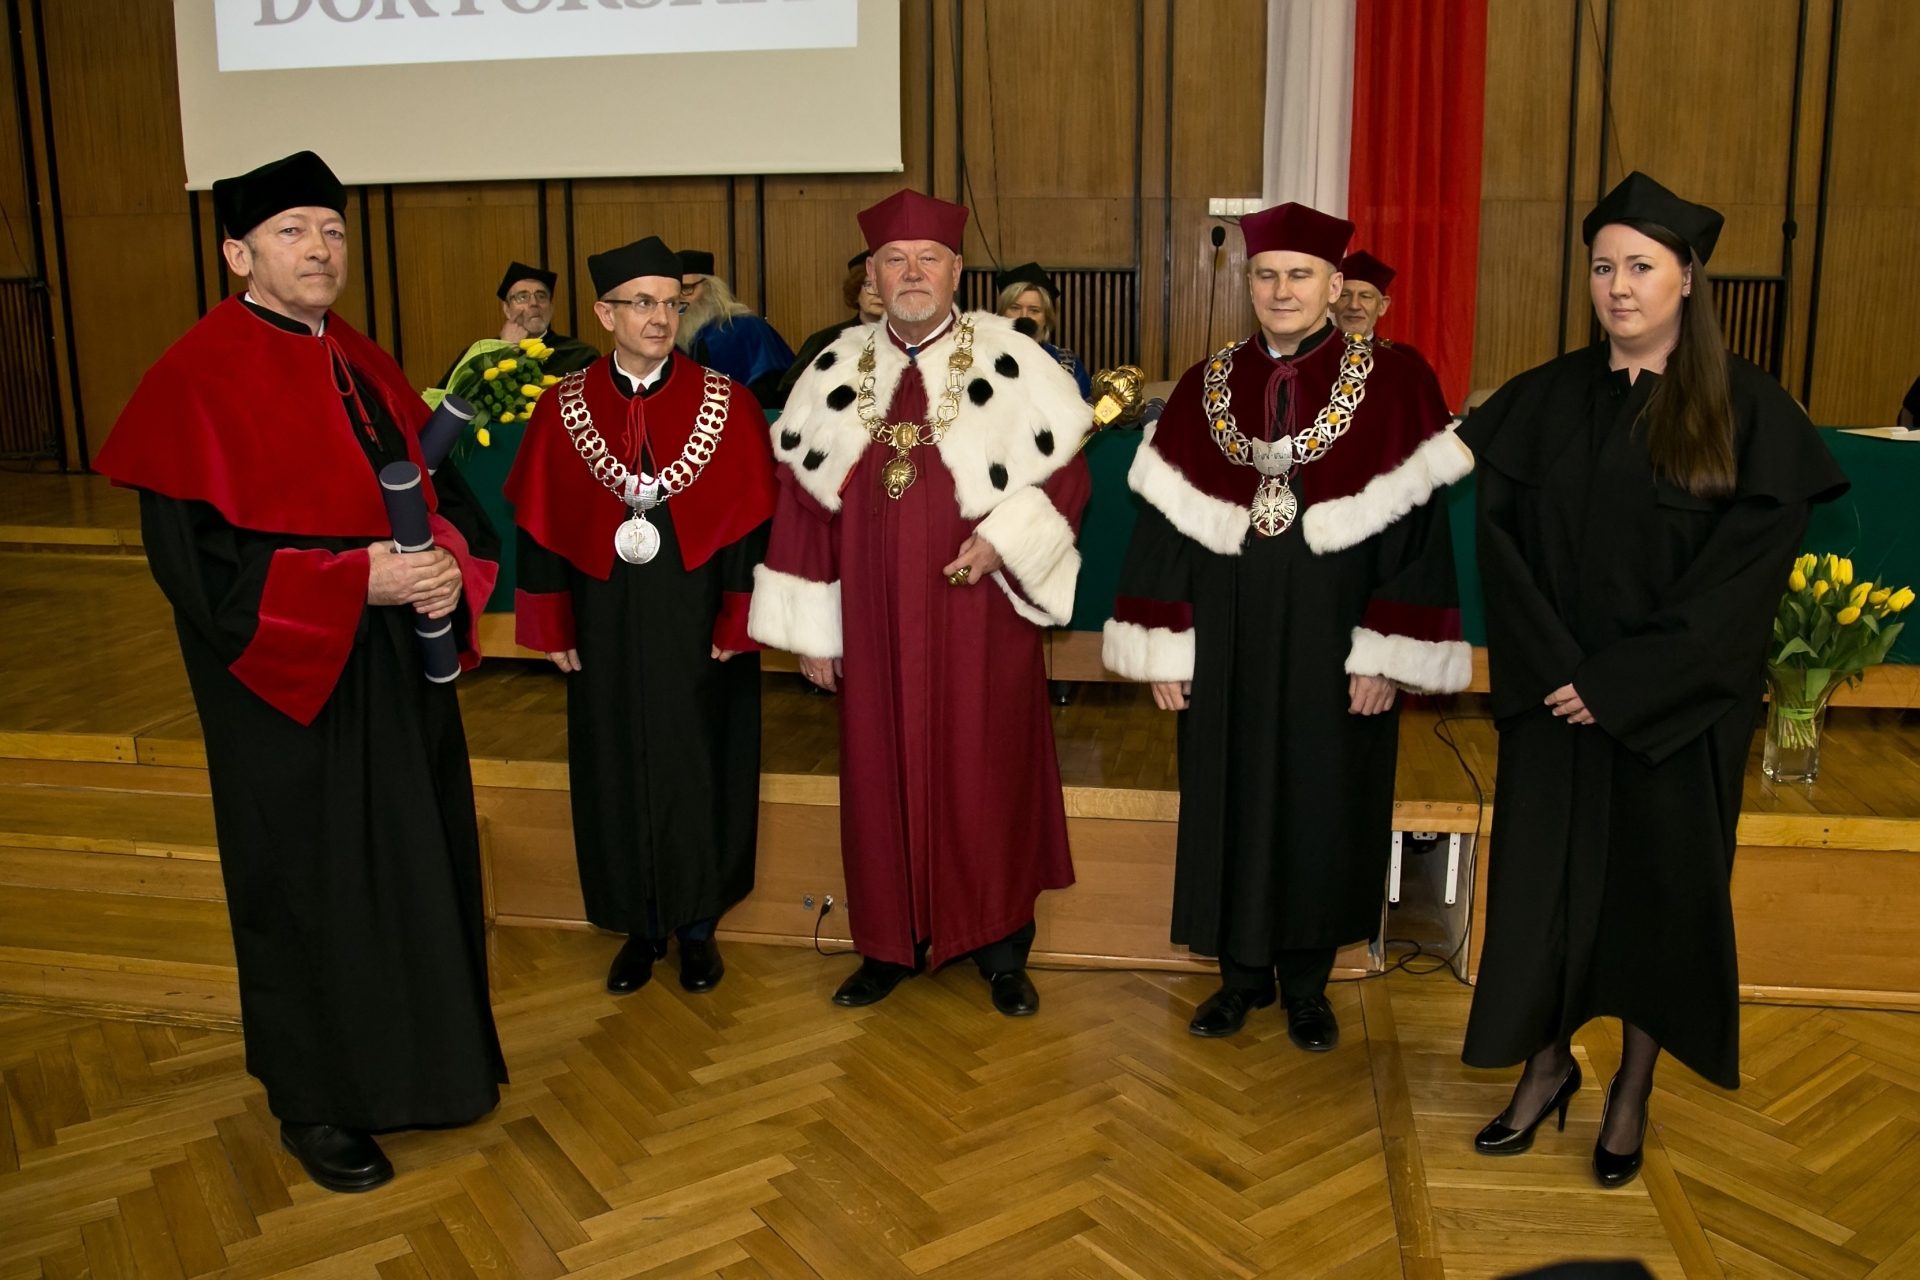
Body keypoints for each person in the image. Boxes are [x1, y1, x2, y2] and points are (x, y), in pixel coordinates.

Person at [94, 151, 507, 1194]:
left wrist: (445, 565)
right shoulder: (193, 380)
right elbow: (201, 575)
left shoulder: (359, 358)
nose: (320, 248)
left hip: (393, 672)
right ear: (238, 254)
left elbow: (445, 497)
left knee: (413, 862)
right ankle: (315, 1101)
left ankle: (428, 1069)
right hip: (287, 688)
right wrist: (350, 582)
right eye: (291, 232)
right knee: (311, 886)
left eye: (331, 230)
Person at [1458, 172, 1847, 1187]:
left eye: (1641, 266)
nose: (1619, 287)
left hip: (1676, 717)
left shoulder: (1747, 412)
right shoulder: (1543, 400)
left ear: (1688, 277)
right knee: (1543, 896)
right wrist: (1561, 675)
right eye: (1603, 267)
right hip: (1554, 709)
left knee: (1657, 905)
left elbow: (1740, 586)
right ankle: (1545, 1066)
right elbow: (1501, 550)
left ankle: (1631, 1089)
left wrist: (1620, 684)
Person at [1102, 202, 1472, 1048]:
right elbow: (1163, 526)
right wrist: (1165, 644)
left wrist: (1386, 653)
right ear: (1249, 283)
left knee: (1324, 795)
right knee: (1227, 791)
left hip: (1337, 638)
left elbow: (1420, 535)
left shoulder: (1398, 386)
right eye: (1266, 275)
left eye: (1300, 275)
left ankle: (1308, 985)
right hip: (1226, 634)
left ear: (1334, 285)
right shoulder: (1203, 385)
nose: (1281, 290)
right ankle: (1239, 978)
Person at [747, 189, 1093, 1017]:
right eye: (894, 260)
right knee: (877, 772)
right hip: (869, 620)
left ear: (956, 270)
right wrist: (812, 631)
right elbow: (801, 504)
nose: (911, 273)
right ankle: (886, 944)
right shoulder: (831, 372)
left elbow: (1068, 473)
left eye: (927, 258)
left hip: (981, 612)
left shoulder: (1013, 358)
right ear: (871, 274)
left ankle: (1000, 947)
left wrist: (1005, 539)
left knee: (989, 769)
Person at [504, 236, 778, 996]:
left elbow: (749, 524)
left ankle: (699, 927)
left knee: (702, 758)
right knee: (613, 760)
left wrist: (740, 616)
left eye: (671, 304)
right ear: (605, 313)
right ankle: (637, 925)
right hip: (603, 618)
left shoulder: (727, 402)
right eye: (642, 304)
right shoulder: (562, 407)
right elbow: (539, 522)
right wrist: (549, 620)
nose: (660, 318)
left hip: (698, 618)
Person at [438, 262, 598, 387]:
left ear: (551, 308)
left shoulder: (580, 355)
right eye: (522, 297)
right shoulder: (479, 355)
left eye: (541, 296)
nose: (534, 303)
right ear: (507, 309)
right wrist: (506, 350)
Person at [677, 249, 795, 408]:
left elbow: (772, 390)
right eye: (674, 291)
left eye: (686, 288)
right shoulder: (667, 338)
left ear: (711, 288)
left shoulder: (747, 329)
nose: (679, 297)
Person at [775, 251, 887, 407]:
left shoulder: (912, 341)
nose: (878, 293)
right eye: (869, 284)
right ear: (856, 291)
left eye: (885, 285)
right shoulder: (825, 340)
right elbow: (790, 392)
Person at [995, 261, 1094, 399]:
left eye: (1033, 310)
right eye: (1015, 308)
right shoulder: (982, 358)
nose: (1024, 317)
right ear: (1001, 314)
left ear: (1046, 318)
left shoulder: (1067, 365)